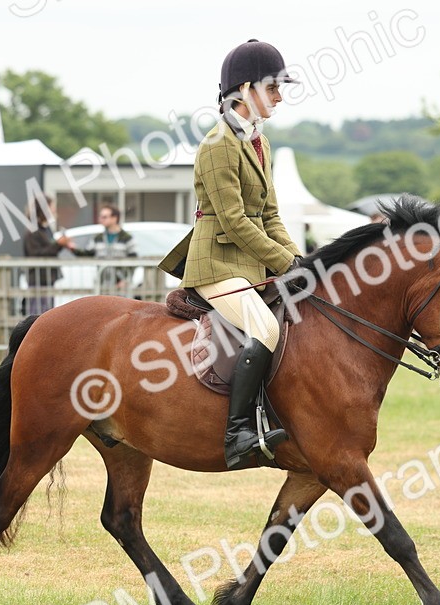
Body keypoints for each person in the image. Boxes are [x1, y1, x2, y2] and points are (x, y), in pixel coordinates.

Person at [158, 38, 303, 468]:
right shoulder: (217, 144)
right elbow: (236, 221)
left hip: (249, 264)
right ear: (245, 89)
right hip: (216, 264)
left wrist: (301, 261)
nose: (279, 96)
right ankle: (238, 433)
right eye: (273, 87)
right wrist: (283, 264)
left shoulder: (261, 142)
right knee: (267, 328)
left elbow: (270, 216)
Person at [58, 204, 138, 295]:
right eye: (101, 217)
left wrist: (126, 280)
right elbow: (88, 253)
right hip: (103, 284)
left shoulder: (127, 238)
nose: (101, 220)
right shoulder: (98, 238)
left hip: (121, 286)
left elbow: (134, 260)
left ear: (114, 218)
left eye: (104, 217)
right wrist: (72, 248)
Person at [23, 195, 63, 315]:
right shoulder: (33, 231)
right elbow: (35, 254)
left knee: (47, 313)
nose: (54, 210)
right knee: (37, 315)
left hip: (47, 278)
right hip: (38, 278)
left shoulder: (45, 229)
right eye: (52, 207)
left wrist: (59, 244)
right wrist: (58, 244)